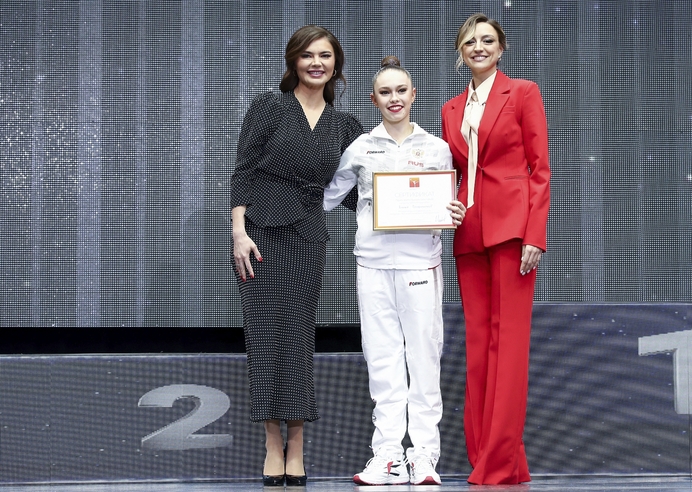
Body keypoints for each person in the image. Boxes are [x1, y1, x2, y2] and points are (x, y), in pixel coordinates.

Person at [230, 25, 363, 487]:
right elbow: (244, 169)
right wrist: (238, 232)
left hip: (308, 234)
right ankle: (272, 443)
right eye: (307, 55)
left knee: (298, 338)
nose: (316, 63)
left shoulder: (345, 125)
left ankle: (298, 444)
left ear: (335, 64)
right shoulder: (269, 106)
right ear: (293, 61)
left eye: (324, 55)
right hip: (261, 234)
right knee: (265, 336)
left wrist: (413, 199)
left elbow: (355, 191)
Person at [323, 56, 466, 486]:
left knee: (423, 359)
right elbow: (327, 197)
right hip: (372, 265)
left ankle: (423, 456)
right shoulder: (362, 147)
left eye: (401, 90)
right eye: (385, 92)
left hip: (421, 263)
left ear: (413, 94)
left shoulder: (437, 147)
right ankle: (387, 454)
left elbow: (452, 203)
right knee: (382, 360)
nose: (394, 98)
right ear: (374, 99)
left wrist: (456, 210)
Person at [440, 13, 551, 485]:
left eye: (488, 40)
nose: (479, 47)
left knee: (510, 347)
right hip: (469, 235)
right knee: (480, 349)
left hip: (512, 232)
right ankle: (489, 454)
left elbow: (540, 168)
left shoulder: (522, 92)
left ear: (501, 49)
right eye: (470, 41)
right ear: (460, 51)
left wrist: (534, 235)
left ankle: (499, 461)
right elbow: (452, 174)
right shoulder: (450, 108)